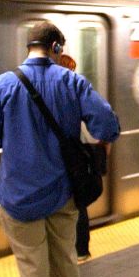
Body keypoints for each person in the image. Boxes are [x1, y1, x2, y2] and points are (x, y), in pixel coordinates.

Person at [0, 21, 120, 277]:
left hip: (19, 194)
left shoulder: (3, 85)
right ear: (56, 47)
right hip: (63, 192)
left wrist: (17, 135)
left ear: (29, 47)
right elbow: (108, 126)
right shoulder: (72, 82)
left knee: (33, 269)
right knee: (65, 262)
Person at [56, 53, 92, 262]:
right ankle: (81, 249)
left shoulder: (50, 95)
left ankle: (76, 247)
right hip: (77, 155)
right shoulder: (76, 92)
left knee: (72, 204)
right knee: (79, 201)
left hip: (63, 157)